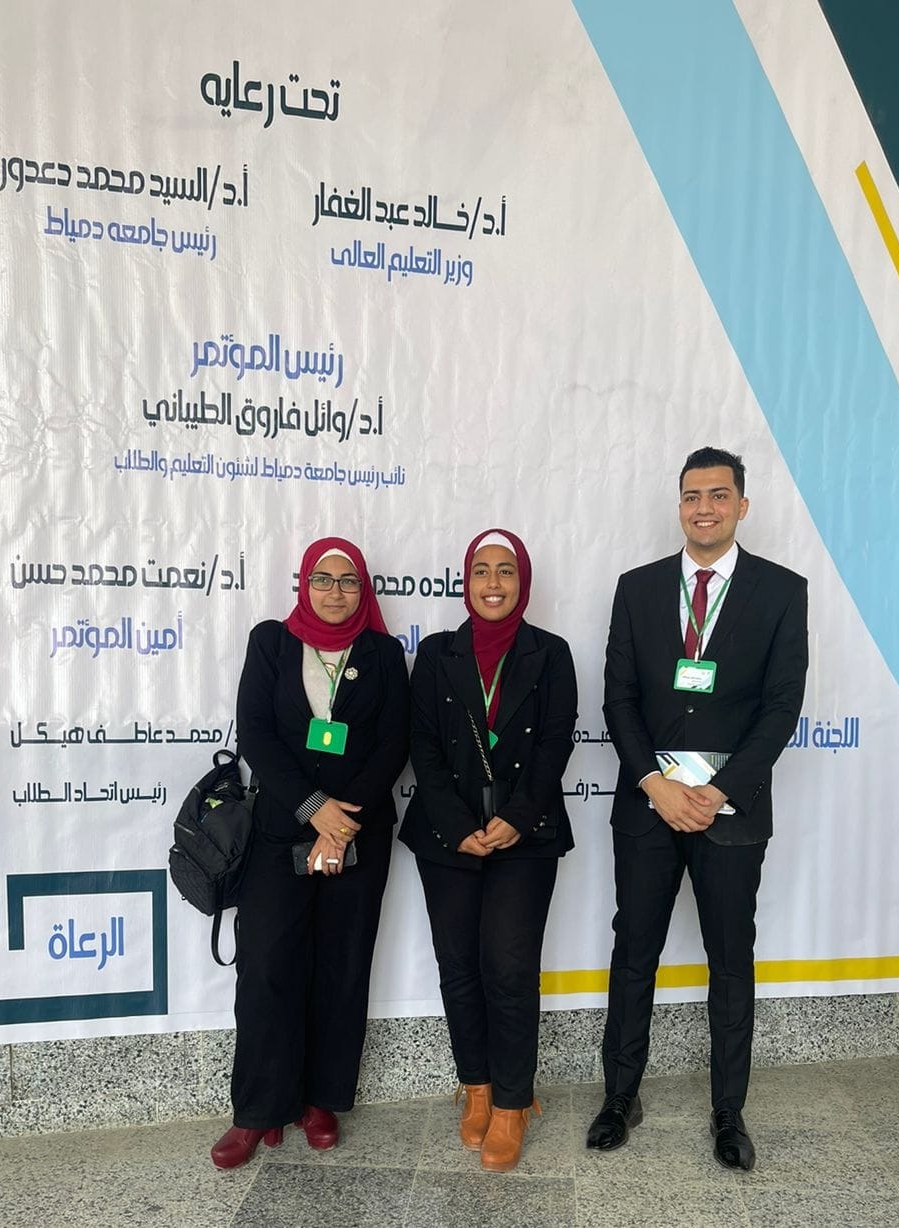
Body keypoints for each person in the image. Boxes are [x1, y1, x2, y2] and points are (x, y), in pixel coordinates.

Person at [586, 447, 808, 1171]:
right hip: (649, 806)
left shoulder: (782, 591)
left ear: (742, 505)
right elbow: (619, 698)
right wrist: (654, 783)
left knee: (731, 959)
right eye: (691, 496)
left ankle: (728, 1111)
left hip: (729, 812)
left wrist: (721, 790)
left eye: (717, 495)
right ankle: (620, 1096)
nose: (703, 508)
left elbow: (781, 707)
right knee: (634, 953)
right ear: (678, 506)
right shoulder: (638, 588)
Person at [210, 536, 410, 1169]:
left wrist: (340, 822)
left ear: (363, 590)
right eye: (322, 580)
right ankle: (258, 1109)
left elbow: (394, 742)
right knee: (267, 966)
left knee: (341, 966)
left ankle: (320, 1101)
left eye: (348, 581)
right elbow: (256, 733)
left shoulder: (382, 653)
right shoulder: (271, 642)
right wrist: (312, 808)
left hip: (359, 832)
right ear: (304, 585)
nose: (335, 592)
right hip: (279, 832)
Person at [400, 529, 577, 1173]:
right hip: (447, 835)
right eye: (481, 570)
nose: (493, 583)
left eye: (506, 571)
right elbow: (421, 744)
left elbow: (555, 743)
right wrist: (456, 825)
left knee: (509, 966)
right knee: (458, 964)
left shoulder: (550, 653)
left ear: (522, 581)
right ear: (466, 581)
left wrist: (516, 819)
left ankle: (511, 1102)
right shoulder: (436, 653)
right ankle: (474, 1086)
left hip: (525, 834)